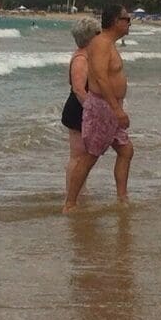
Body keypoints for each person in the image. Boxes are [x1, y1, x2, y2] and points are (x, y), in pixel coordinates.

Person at [63, 4, 134, 212]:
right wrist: (117, 110)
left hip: (110, 107)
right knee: (89, 156)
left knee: (126, 151)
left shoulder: (108, 43)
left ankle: (122, 198)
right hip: (103, 108)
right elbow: (101, 79)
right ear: (115, 22)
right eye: (126, 19)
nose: (129, 23)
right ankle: (70, 204)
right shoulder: (102, 44)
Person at [61, 17, 100, 204]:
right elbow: (78, 89)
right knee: (77, 156)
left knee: (84, 156)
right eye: (97, 34)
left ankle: (80, 191)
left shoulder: (88, 55)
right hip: (78, 110)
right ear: (89, 36)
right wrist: (93, 110)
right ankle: (72, 194)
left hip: (83, 108)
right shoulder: (81, 58)